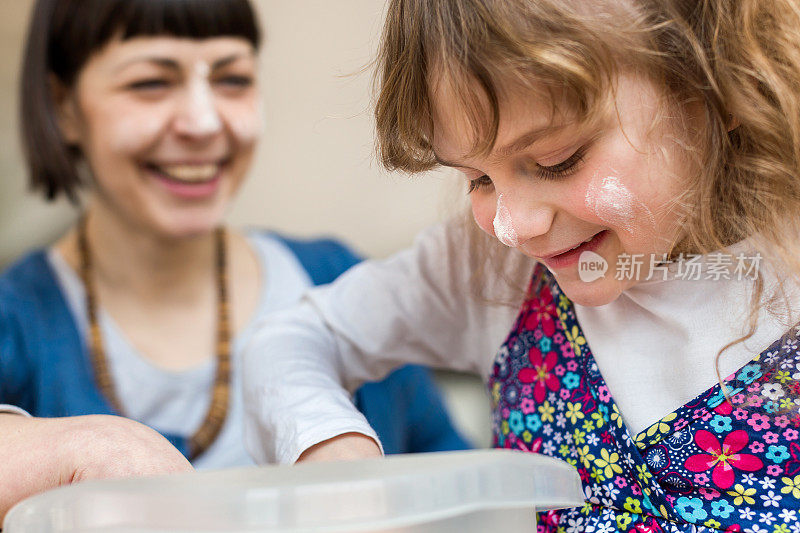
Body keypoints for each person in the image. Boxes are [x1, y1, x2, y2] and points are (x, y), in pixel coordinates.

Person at [243, 0, 800, 530]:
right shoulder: (490, 271)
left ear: (721, 83)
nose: (515, 226)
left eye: (558, 161)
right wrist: (328, 447)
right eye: (478, 179)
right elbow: (291, 338)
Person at [0, 0, 469, 519]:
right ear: (62, 106)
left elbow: (457, 488)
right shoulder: (14, 323)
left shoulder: (339, 283)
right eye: (150, 83)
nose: (203, 123)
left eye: (233, 79)